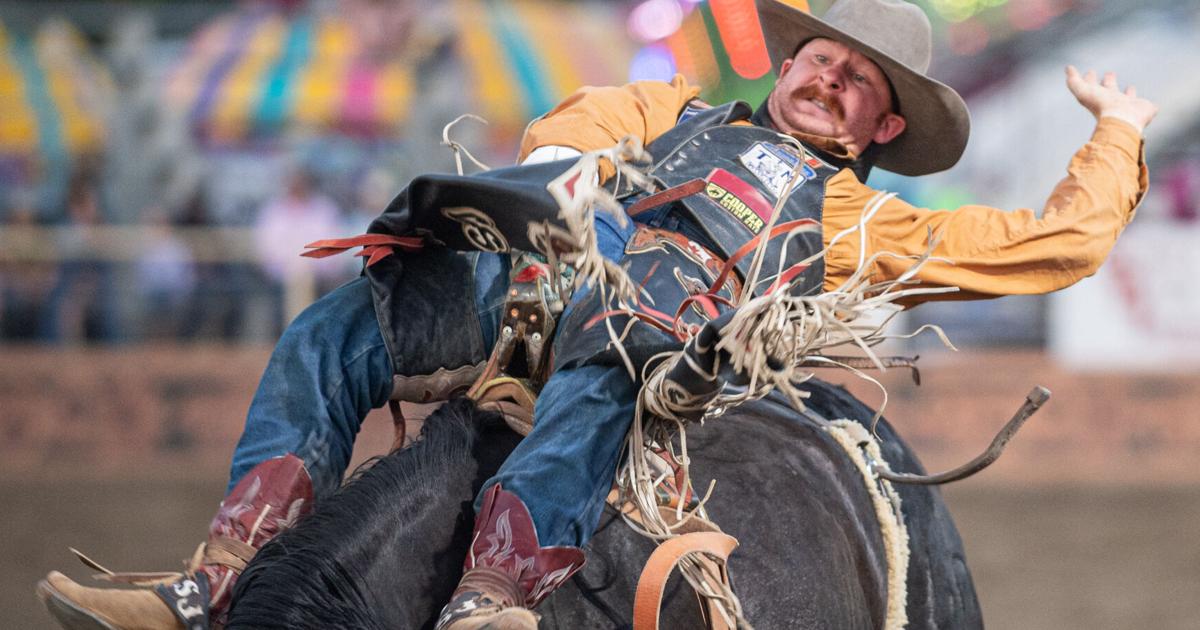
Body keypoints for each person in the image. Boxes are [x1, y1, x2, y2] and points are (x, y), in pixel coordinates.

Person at [38, 0, 1156, 628]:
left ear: (880, 128)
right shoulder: (672, 108)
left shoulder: (859, 219)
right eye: (822, 58)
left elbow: (1048, 246)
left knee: (624, 338)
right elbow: (576, 124)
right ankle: (217, 576)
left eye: (857, 82)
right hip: (529, 286)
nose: (828, 79)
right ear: (790, 64)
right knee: (335, 330)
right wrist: (574, 182)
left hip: (649, 344)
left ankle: (496, 596)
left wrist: (1115, 132)